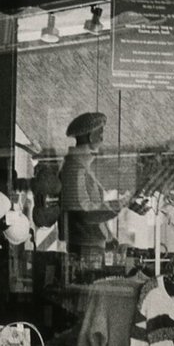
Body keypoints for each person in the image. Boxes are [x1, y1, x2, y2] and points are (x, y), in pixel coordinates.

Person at [59, 111, 118, 266]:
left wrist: (109, 236)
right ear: (91, 137)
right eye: (100, 132)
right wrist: (117, 206)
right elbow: (84, 212)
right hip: (85, 246)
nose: (102, 138)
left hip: (90, 244)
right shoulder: (75, 168)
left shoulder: (82, 166)